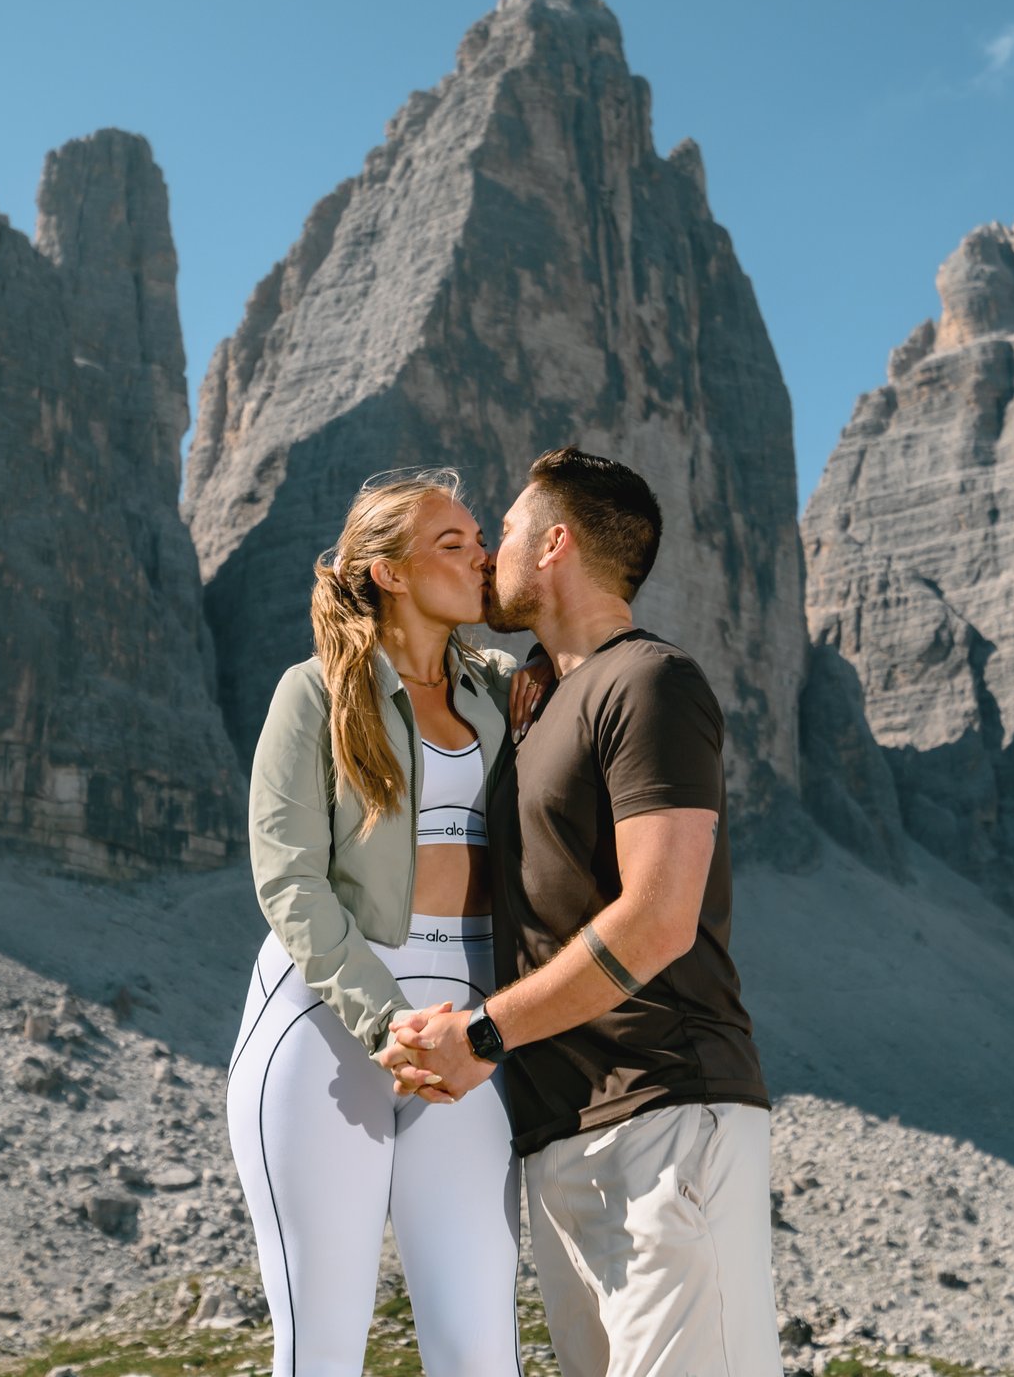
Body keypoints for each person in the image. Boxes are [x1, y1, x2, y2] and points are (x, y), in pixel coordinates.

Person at [384, 447, 779, 1377]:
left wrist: (482, 1036)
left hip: (667, 1120)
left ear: (557, 543)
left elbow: (659, 916)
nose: (490, 555)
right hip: (564, 1140)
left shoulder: (650, 682)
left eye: (508, 532)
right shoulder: (532, 704)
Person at [225, 469, 529, 1377]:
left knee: (482, 1349)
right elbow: (288, 881)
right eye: (452, 541)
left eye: (481, 536)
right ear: (388, 572)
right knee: (321, 1347)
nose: (480, 553)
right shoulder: (312, 694)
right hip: (328, 1020)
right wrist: (382, 1017)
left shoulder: (506, 691)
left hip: (469, 1032)